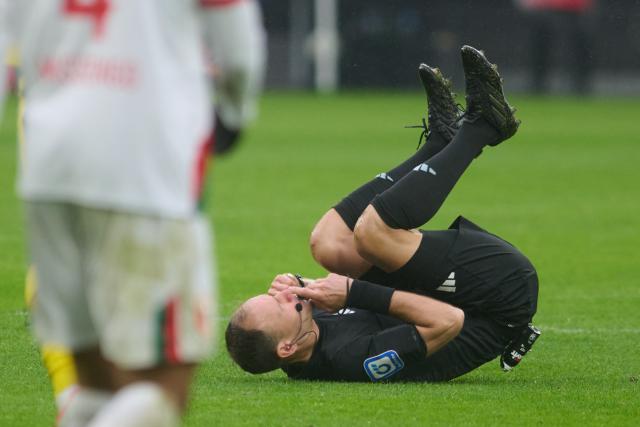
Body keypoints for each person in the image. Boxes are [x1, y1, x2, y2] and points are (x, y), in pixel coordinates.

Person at [0, 1, 264, 426]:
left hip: (49, 165)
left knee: (94, 383)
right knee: (163, 387)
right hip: (146, 166)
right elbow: (236, 47)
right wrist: (234, 111)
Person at [225, 46, 541, 382]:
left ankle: (439, 145)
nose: (285, 296)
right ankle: (483, 128)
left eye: (274, 296)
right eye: (281, 306)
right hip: (500, 296)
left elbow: (350, 299)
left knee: (327, 244)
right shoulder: (349, 358)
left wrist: (307, 289)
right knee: (372, 234)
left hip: (455, 289)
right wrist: (351, 292)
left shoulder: (307, 336)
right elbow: (448, 321)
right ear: (286, 348)